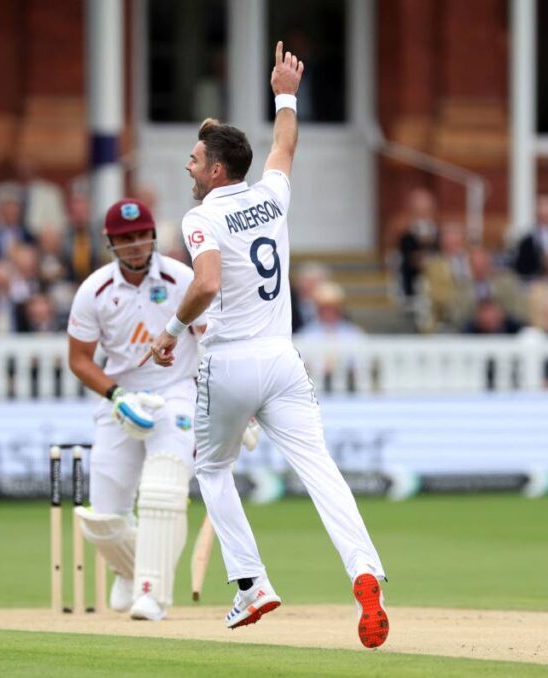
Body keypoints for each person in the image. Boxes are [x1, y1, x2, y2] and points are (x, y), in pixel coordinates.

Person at [144, 41, 389, 649]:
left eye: (196, 159)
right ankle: (364, 572)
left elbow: (204, 282)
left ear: (217, 171)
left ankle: (251, 583)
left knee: (213, 468)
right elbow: (283, 145)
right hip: (283, 359)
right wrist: (285, 93)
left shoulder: (200, 219)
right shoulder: (271, 196)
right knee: (321, 471)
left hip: (227, 361)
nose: (189, 167)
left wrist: (172, 333)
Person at [66, 198, 205, 622]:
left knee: (164, 492)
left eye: (141, 235)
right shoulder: (94, 290)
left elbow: (211, 340)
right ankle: (131, 570)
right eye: (125, 238)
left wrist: (231, 405)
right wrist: (116, 397)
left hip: (175, 390)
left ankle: (152, 592)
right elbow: (80, 359)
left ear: (152, 236)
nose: (135, 244)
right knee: (102, 520)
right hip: (121, 398)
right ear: (110, 242)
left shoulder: (183, 279)